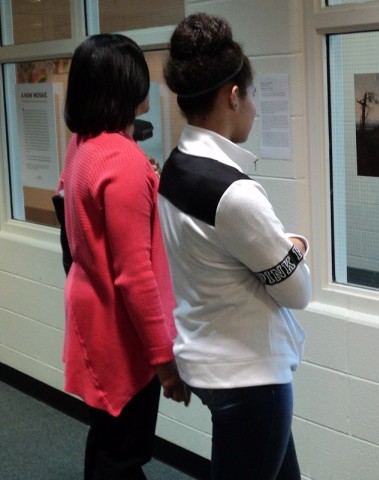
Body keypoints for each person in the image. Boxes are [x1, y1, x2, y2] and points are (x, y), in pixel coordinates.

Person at [159, 13, 311, 480]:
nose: (255, 108)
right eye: (252, 95)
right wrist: (295, 245)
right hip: (251, 381)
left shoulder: (175, 167)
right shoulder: (235, 193)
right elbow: (298, 291)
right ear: (232, 95)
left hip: (209, 361)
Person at [56, 33, 189, 480]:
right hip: (121, 336)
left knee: (107, 445)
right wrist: (163, 361)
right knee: (124, 457)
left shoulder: (81, 145)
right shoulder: (123, 163)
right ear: (122, 87)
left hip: (92, 319)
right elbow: (136, 276)